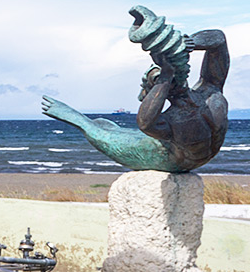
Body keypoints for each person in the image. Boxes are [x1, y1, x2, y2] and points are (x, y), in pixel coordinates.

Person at [42, 12, 229, 172]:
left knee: (109, 130)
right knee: (100, 133)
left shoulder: (210, 91)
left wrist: (187, 43)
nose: (172, 78)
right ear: (158, 92)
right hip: (171, 161)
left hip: (191, 158)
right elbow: (145, 124)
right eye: (159, 80)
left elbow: (218, 39)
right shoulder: (169, 121)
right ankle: (77, 118)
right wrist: (165, 76)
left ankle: (94, 123)